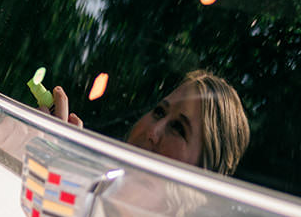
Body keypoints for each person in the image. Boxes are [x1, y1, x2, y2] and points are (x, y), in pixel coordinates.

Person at [47, 68, 250, 175]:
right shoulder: (88, 184)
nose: (153, 132)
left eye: (178, 128)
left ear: (203, 171)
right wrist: (57, 157)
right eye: (160, 112)